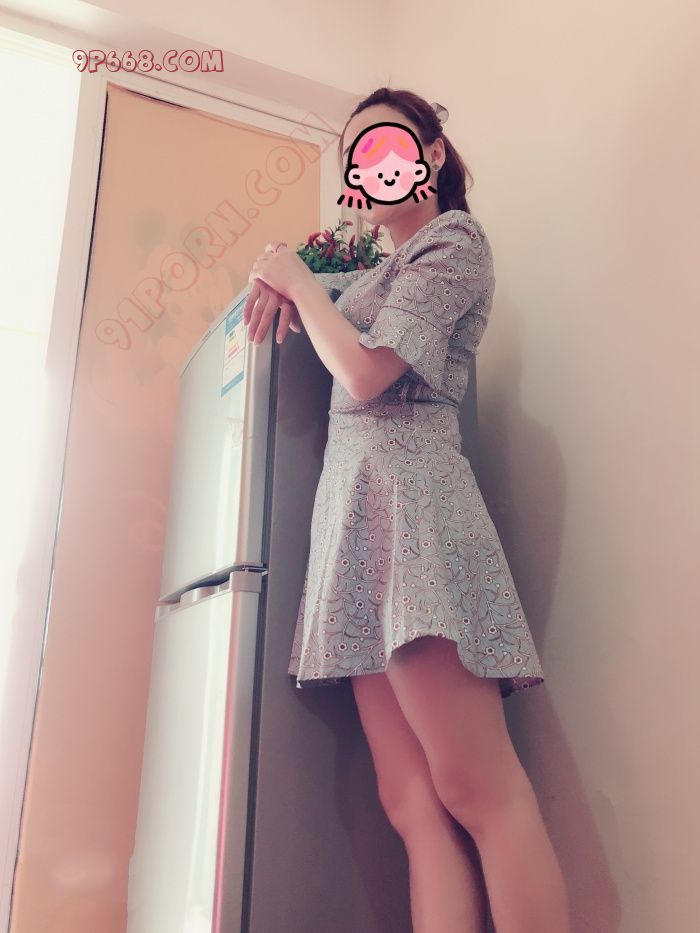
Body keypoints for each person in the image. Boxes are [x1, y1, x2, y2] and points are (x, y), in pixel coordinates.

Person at [244, 86, 572, 933]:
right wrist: (289, 279)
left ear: (427, 155)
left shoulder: (454, 242)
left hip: (412, 510)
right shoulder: (377, 276)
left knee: (478, 789)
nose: (374, 165)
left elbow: (364, 374)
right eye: (359, 156)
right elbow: (338, 314)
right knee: (410, 802)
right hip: (357, 521)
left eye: (388, 145)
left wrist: (296, 281)